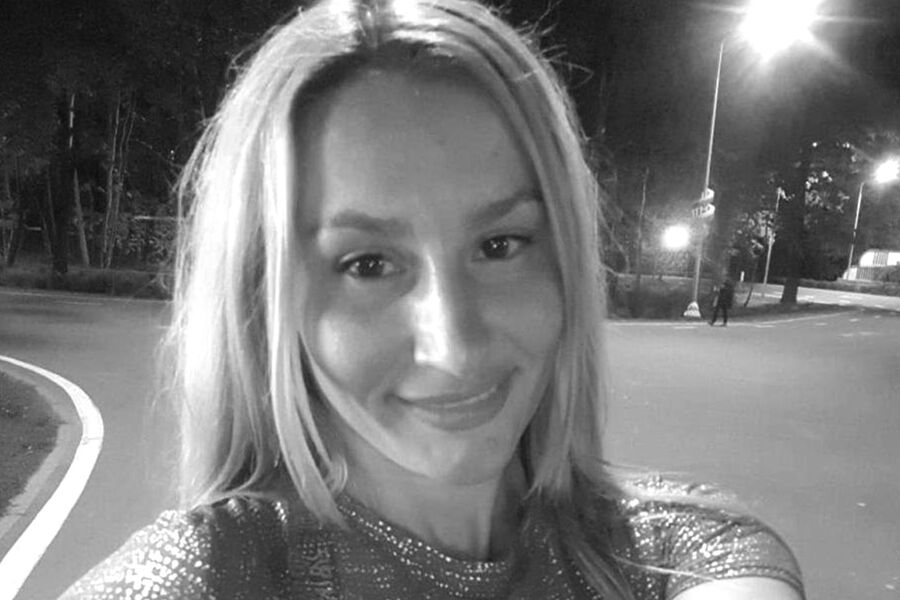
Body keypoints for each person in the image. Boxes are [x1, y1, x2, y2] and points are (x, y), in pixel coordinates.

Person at [60, 1, 804, 598]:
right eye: (368, 264)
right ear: (265, 301)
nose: (455, 346)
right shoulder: (205, 575)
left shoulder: (679, 554)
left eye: (500, 245)